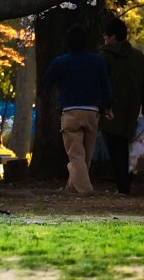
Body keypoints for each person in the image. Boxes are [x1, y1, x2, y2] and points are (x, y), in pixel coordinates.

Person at [41, 26, 114, 194]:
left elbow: (46, 80)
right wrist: (108, 106)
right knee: (86, 155)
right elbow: (105, 85)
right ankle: (72, 187)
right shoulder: (96, 60)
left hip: (71, 111)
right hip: (92, 111)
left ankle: (85, 189)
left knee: (75, 155)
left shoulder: (61, 61)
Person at [100, 16, 144, 195]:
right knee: (127, 147)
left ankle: (123, 186)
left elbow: (101, 83)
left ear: (113, 36)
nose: (104, 38)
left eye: (106, 35)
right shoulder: (137, 56)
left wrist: (102, 106)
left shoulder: (105, 56)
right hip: (132, 109)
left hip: (111, 110)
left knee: (116, 149)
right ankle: (125, 181)